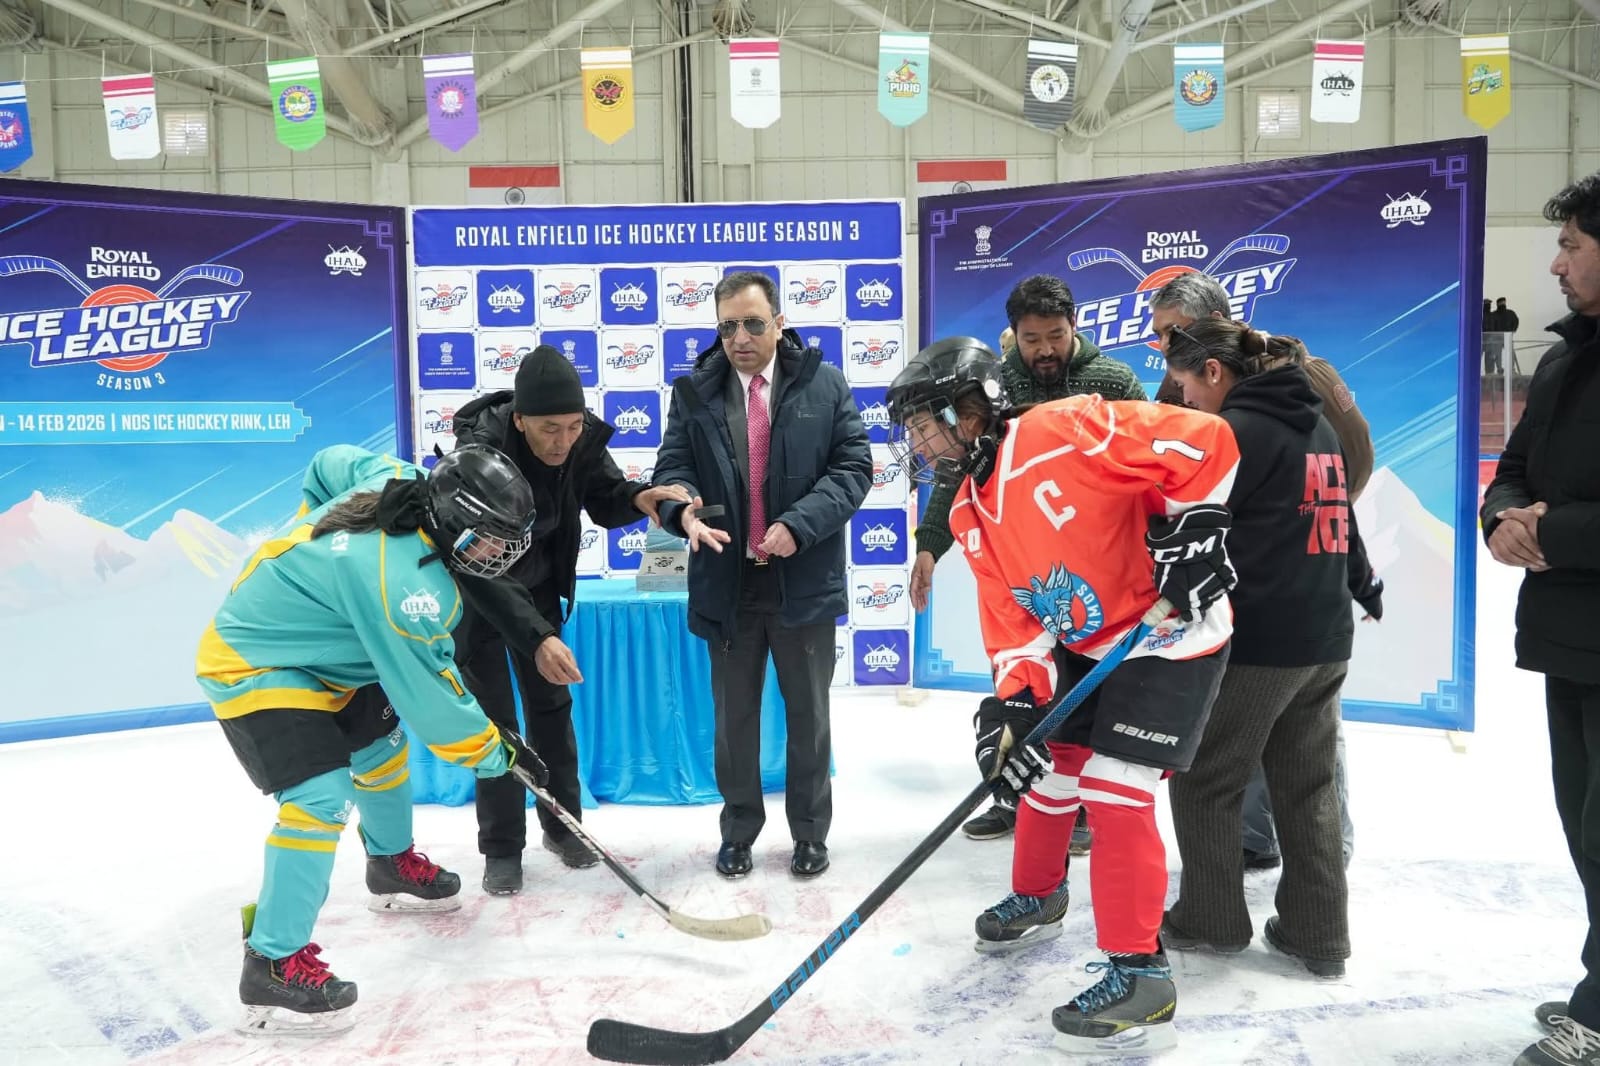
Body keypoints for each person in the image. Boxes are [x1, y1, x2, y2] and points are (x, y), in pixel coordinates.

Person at [886, 336, 1239, 1055]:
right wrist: (1013, 706)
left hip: (1168, 630)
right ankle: (1041, 894)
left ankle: (1141, 974)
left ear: (970, 408)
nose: (917, 442)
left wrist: (1196, 525)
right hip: (1085, 643)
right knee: (1041, 767)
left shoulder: (1063, 426)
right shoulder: (966, 511)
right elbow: (1015, 623)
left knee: (1113, 788)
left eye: (923, 423)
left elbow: (1207, 439)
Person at [196, 443, 548, 1035]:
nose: (500, 552)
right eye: (490, 537)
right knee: (319, 799)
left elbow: (328, 462)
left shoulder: (402, 478)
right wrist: (497, 754)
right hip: (255, 661)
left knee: (382, 753)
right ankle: (272, 960)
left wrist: (314, 548)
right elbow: (434, 703)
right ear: (455, 520)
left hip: (335, 656)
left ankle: (389, 864)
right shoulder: (404, 589)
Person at [1157, 319, 1383, 981]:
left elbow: (1186, 531)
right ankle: (1318, 934)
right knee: (1306, 787)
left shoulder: (1233, 436)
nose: (1185, 397)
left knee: (1205, 781)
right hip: (1324, 638)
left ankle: (1211, 920)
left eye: (1185, 382)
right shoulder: (1315, 426)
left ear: (1214, 372)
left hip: (1263, 643)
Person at [912, 274, 1148, 847]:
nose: (1044, 349)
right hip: (1023, 564)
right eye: (1031, 337)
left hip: (1096, 569)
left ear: (1075, 328)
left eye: (1056, 335)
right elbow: (963, 466)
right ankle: (1018, 799)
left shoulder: (1112, 381)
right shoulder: (996, 379)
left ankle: (1082, 812)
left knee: (1086, 691)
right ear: (1013, 335)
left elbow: (1144, 469)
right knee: (1022, 683)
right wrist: (929, 544)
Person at [653, 270, 871, 880]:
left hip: (800, 583)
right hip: (728, 583)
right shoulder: (693, 392)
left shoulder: (825, 386)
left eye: (753, 323)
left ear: (779, 322)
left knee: (809, 719)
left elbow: (854, 467)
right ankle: (739, 831)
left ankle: (809, 834)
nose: (740, 337)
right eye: (728, 326)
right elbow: (673, 468)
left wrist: (799, 525)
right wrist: (682, 509)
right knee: (734, 724)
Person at [450, 346, 688, 893]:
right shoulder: (480, 455)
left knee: (552, 710)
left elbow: (605, 499)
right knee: (496, 727)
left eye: (573, 427)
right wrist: (536, 638)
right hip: (482, 596)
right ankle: (502, 849)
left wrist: (641, 497)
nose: (563, 441)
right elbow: (478, 565)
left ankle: (563, 828)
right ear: (519, 419)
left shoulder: (578, 444)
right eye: (549, 429)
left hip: (538, 592)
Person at [1484, 173, 1600, 1066]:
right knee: (1582, 821)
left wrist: (1550, 528)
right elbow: (1513, 466)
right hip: (1568, 633)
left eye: (1570, 246)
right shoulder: (1563, 358)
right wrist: (1503, 519)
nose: (1554, 263)